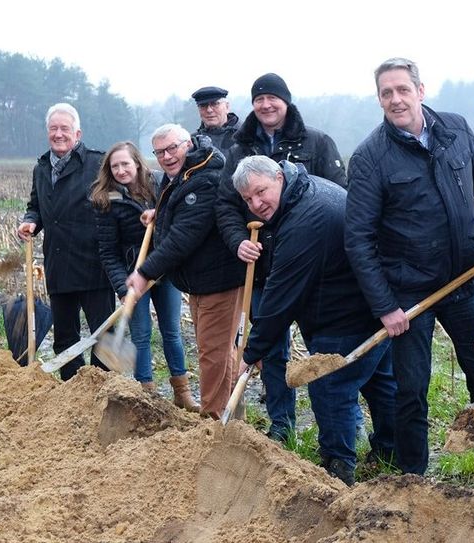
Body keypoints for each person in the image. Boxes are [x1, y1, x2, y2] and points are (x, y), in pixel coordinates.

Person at [345, 57, 474, 487]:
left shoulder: (455, 129)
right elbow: (358, 239)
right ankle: (413, 480)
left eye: (403, 89)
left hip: (463, 282)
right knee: (411, 391)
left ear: (420, 91)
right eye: (386, 92)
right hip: (408, 295)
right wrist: (386, 306)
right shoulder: (370, 157)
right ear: (379, 99)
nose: (395, 99)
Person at [233, 155, 397, 485]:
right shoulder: (305, 191)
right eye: (248, 199)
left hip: (343, 317)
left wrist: (250, 353)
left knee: (330, 389)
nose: (256, 204)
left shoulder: (305, 220)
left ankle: (338, 468)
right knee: (381, 384)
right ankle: (391, 451)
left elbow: (280, 298)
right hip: (369, 306)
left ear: (278, 176)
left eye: (260, 191)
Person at [217, 72, 347, 441]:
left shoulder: (316, 142)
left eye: (273, 98)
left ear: (286, 101)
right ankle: (281, 424)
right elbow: (226, 207)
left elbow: (337, 199)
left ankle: (340, 430)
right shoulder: (238, 150)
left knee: (325, 351)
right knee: (269, 348)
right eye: (258, 99)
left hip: (316, 272)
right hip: (261, 268)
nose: (266, 105)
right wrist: (237, 241)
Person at [126, 124, 245, 419]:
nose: (166, 156)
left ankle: (213, 420)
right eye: (160, 152)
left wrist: (144, 273)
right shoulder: (184, 174)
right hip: (200, 281)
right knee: (219, 352)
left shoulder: (205, 178)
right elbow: (180, 210)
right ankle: (230, 418)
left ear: (188, 144)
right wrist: (161, 212)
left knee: (212, 354)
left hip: (219, 280)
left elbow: (184, 236)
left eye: (172, 148)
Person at [91, 141, 197, 411]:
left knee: (172, 331)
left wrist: (157, 215)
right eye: (115, 166)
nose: (121, 170)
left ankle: (182, 393)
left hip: (164, 268)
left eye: (125, 163)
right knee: (141, 335)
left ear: (137, 163)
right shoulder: (107, 200)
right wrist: (122, 288)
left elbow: (176, 218)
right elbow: (108, 252)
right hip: (133, 274)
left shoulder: (160, 185)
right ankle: (146, 392)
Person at [18, 103, 115, 381]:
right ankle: (71, 391)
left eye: (65, 129)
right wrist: (31, 221)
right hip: (58, 264)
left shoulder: (98, 164)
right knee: (64, 337)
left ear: (78, 133)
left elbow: (119, 202)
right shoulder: (41, 167)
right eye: (53, 129)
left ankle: (102, 391)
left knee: (104, 336)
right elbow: (35, 205)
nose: (59, 134)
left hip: (93, 265)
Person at [192, 86, 240, 158]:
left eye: (215, 104)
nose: (209, 110)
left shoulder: (247, 136)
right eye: (203, 105)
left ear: (227, 107)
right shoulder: (192, 143)